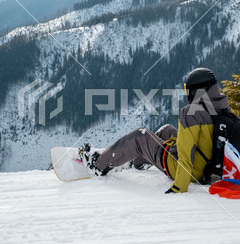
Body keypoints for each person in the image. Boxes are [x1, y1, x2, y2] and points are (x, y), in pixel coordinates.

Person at [79, 68, 231, 193]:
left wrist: (180, 186)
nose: (187, 94)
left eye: (187, 90)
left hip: (189, 169)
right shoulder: (223, 107)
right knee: (168, 130)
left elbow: (185, 156)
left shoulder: (191, 111)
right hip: (206, 165)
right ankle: (139, 161)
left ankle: (97, 165)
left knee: (140, 135)